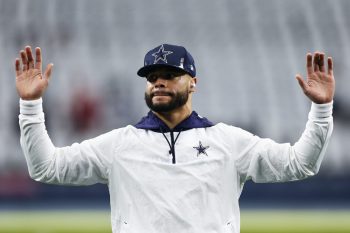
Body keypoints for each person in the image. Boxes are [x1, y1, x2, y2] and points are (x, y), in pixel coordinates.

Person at [15, 44, 335, 233]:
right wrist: (30, 105)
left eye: (170, 75)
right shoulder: (118, 145)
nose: (159, 83)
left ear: (193, 82)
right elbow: (47, 168)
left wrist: (321, 109)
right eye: (153, 77)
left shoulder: (228, 141)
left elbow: (299, 164)